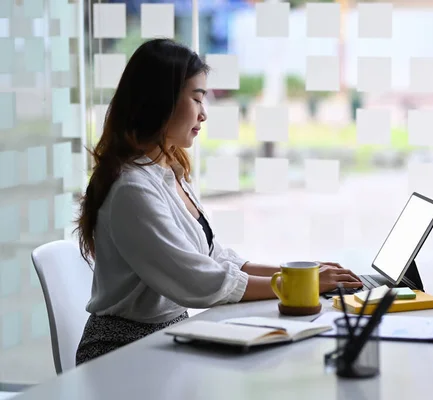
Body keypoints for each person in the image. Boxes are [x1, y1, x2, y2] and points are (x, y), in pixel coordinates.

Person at [73, 39, 363, 366]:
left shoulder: (169, 174)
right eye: (196, 98)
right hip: (119, 354)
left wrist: (303, 273)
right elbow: (197, 281)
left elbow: (215, 259)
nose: (204, 113)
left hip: (163, 338)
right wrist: (299, 286)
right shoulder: (132, 188)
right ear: (161, 100)